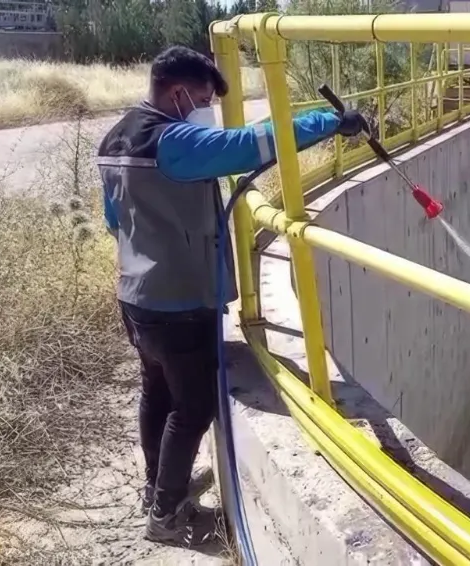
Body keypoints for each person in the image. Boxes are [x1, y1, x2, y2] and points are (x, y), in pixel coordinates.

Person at [96, 45, 363, 547]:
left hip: (135, 295)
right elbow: (249, 143)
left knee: (155, 391)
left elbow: (115, 221)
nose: (203, 110)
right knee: (192, 407)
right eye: (200, 98)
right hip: (178, 301)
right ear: (177, 93)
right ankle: (166, 518)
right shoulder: (172, 141)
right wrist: (330, 122)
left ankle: (158, 488)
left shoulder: (116, 134)